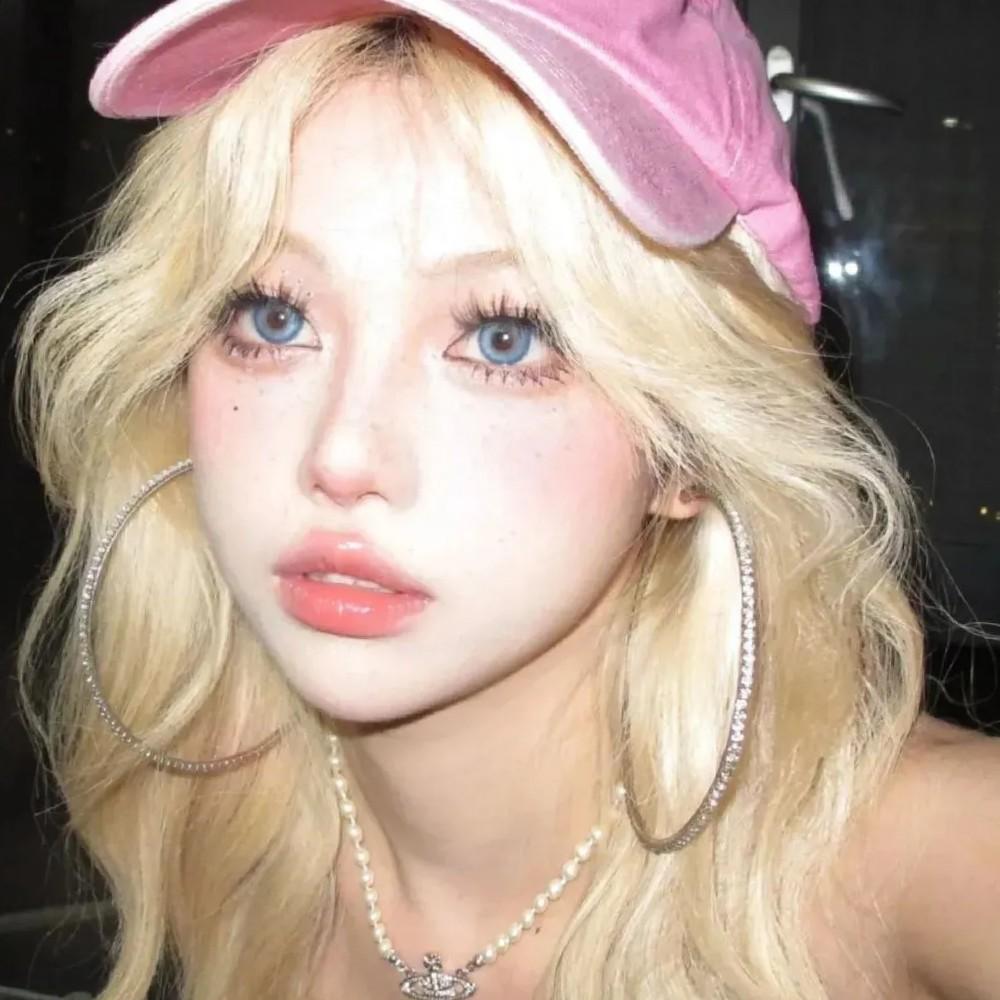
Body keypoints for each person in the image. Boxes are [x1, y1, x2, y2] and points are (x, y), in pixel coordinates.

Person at [12, 1, 1000, 998]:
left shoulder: (932, 863)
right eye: (272, 316)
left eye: (504, 337)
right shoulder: (205, 814)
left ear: (692, 448)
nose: (341, 454)